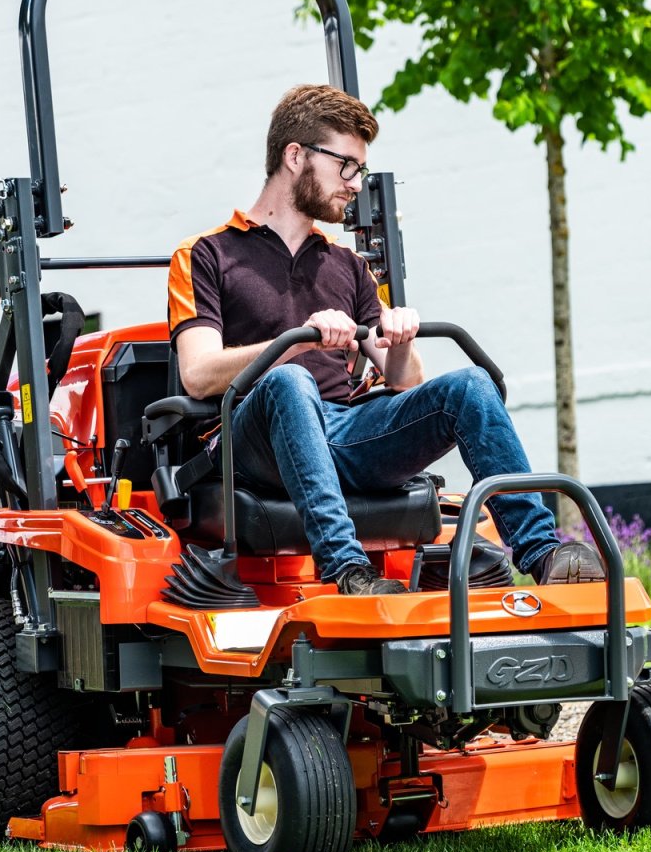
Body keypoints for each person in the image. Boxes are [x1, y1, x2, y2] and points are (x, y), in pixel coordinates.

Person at [166, 84, 602, 596]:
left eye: (361, 170)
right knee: (289, 381)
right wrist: (295, 343)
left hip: (344, 430)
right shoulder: (206, 255)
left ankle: (544, 552)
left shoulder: (347, 266)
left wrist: (399, 336)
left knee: (469, 385)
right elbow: (197, 375)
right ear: (295, 156)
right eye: (345, 165)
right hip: (249, 439)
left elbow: (405, 381)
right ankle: (349, 571)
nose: (355, 184)